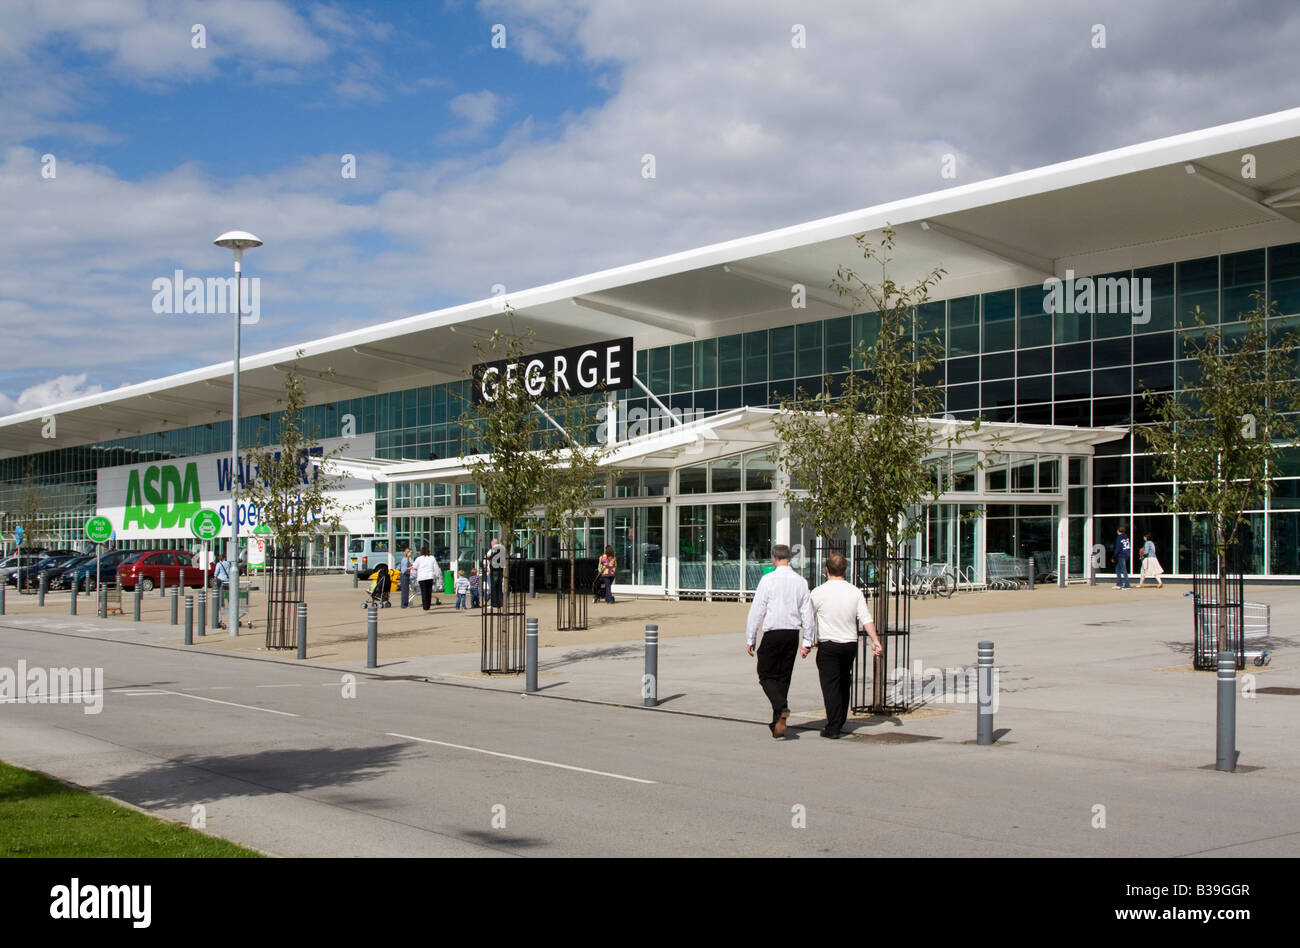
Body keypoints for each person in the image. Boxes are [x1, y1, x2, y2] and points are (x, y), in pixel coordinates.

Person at [804, 552, 882, 739]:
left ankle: (833, 725)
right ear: (845, 570)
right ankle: (840, 720)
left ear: (826, 570)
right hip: (849, 644)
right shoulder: (854, 592)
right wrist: (875, 640)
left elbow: (807, 618)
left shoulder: (818, 592)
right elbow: (866, 618)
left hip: (829, 644)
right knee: (844, 681)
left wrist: (806, 642)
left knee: (830, 685)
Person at [745, 543, 815, 739]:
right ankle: (778, 721)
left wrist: (751, 637)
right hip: (792, 633)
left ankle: (781, 707)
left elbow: (757, 610)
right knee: (783, 677)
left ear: (774, 559)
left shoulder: (768, 580)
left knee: (765, 673)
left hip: (774, 631)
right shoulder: (800, 581)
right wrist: (808, 640)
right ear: (789, 558)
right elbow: (807, 612)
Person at [487, 538, 504, 608]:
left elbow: (488, 556)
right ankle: (500, 603)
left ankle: (494, 604)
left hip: (494, 569)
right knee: (499, 587)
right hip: (500, 569)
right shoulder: (502, 549)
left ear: (492, 543)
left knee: (493, 587)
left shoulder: (492, 549)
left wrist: (489, 559)